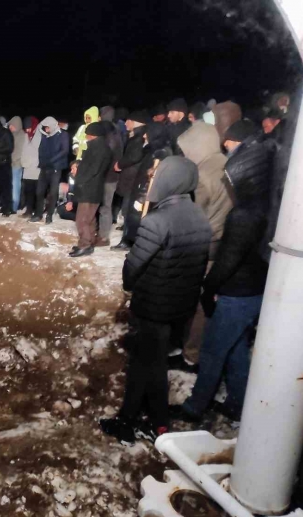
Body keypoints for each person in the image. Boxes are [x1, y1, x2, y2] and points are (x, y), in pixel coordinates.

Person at [101, 157, 212, 444]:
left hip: (153, 307)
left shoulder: (158, 220)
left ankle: (156, 424)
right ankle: (133, 418)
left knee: (150, 365)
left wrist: (128, 281)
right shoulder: (200, 217)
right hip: (178, 306)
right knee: (146, 361)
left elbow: (134, 265)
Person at [176, 158, 270, 423]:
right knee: (236, 348)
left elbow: (229, 258)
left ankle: (195, 407)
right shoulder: (265, 208)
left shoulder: (244, 215)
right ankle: (238, 403)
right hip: (253, 291)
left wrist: (209, 287)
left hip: (237, 294)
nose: (227, 185)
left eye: (230, 179)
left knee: (212, 350)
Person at [177, 122, 233, 259]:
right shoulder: (227, 162)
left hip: (205, 240)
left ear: (197, 146)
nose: (186, 155)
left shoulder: (202, 174)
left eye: (187, 150)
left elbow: (194, 214)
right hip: (223, 234)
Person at [116, 122, 171, 249]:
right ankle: (128, 239)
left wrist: (144, 193)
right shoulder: (150, 149)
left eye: (148, 133)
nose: (145, 135)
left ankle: (133, 242)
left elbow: (154, 174)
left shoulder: (160, 153)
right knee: (132, 215)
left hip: (145, 191)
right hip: (139, 186)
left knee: (138, 216)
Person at [69, 122, 112, 257]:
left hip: (90, 188)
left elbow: (93, 170)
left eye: (88, 134)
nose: (86, 137)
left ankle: (85, 245)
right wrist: (78, 165)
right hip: (93, 188)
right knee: (90, 218)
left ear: (94, 135)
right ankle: (89, 241)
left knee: (82, 219)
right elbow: (88, 165)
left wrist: (79, 177)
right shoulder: (98, 147)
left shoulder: (99, 149)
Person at [113, 111, 150, 247]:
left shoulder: (139, 137)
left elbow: (134, 156)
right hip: (130, 174)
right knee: (127, 206)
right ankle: (126, 231)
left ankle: (127, 240)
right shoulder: (135, 135)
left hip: (132, 176)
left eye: (129, 120)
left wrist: (120, 164)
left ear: (135, 122)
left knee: (130, 207)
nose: (126, 123)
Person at [31, 116, 70, 223]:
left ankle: (49, 215)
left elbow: (65, 150)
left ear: (52, 126)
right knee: (39, 191)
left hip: (56, 168)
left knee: (53, 193)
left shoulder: (63, 135)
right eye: (44, 128)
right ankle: (38, 214)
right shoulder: (45, 136)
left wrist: (52, 160)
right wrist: (41, 160)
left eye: (47, 127)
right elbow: (41, 149)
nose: (46, 129)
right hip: (44, 167)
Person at [97, 119, 124, 247]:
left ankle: (103, 237)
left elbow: (105, 161)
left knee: (105, 207)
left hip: (108, 179)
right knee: (104, 207)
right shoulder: (116, 138)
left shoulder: (110, 142)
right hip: (110, 178)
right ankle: (101, 233)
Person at [20, 116, 41, 218]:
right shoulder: (25, 136)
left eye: (29, 127)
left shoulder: (40, 134)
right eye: (26, 128)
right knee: (28, 191)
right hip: (27, 168)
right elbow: (23, 150)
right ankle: (28, 210)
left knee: (37, 191)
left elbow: (40, 151)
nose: (27, 130)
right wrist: (23, 162)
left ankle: (37, 211)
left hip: (37, 168)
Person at [8, 116, 26, 213]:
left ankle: (14, 207)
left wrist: (11, 159)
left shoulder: (22, 135)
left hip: (17, 165)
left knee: (15, 186)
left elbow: (19, 152)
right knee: (10, 186)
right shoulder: (12, 135)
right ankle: (10, 205)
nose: (10, 127)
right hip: (10, 164)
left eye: (11, 125)